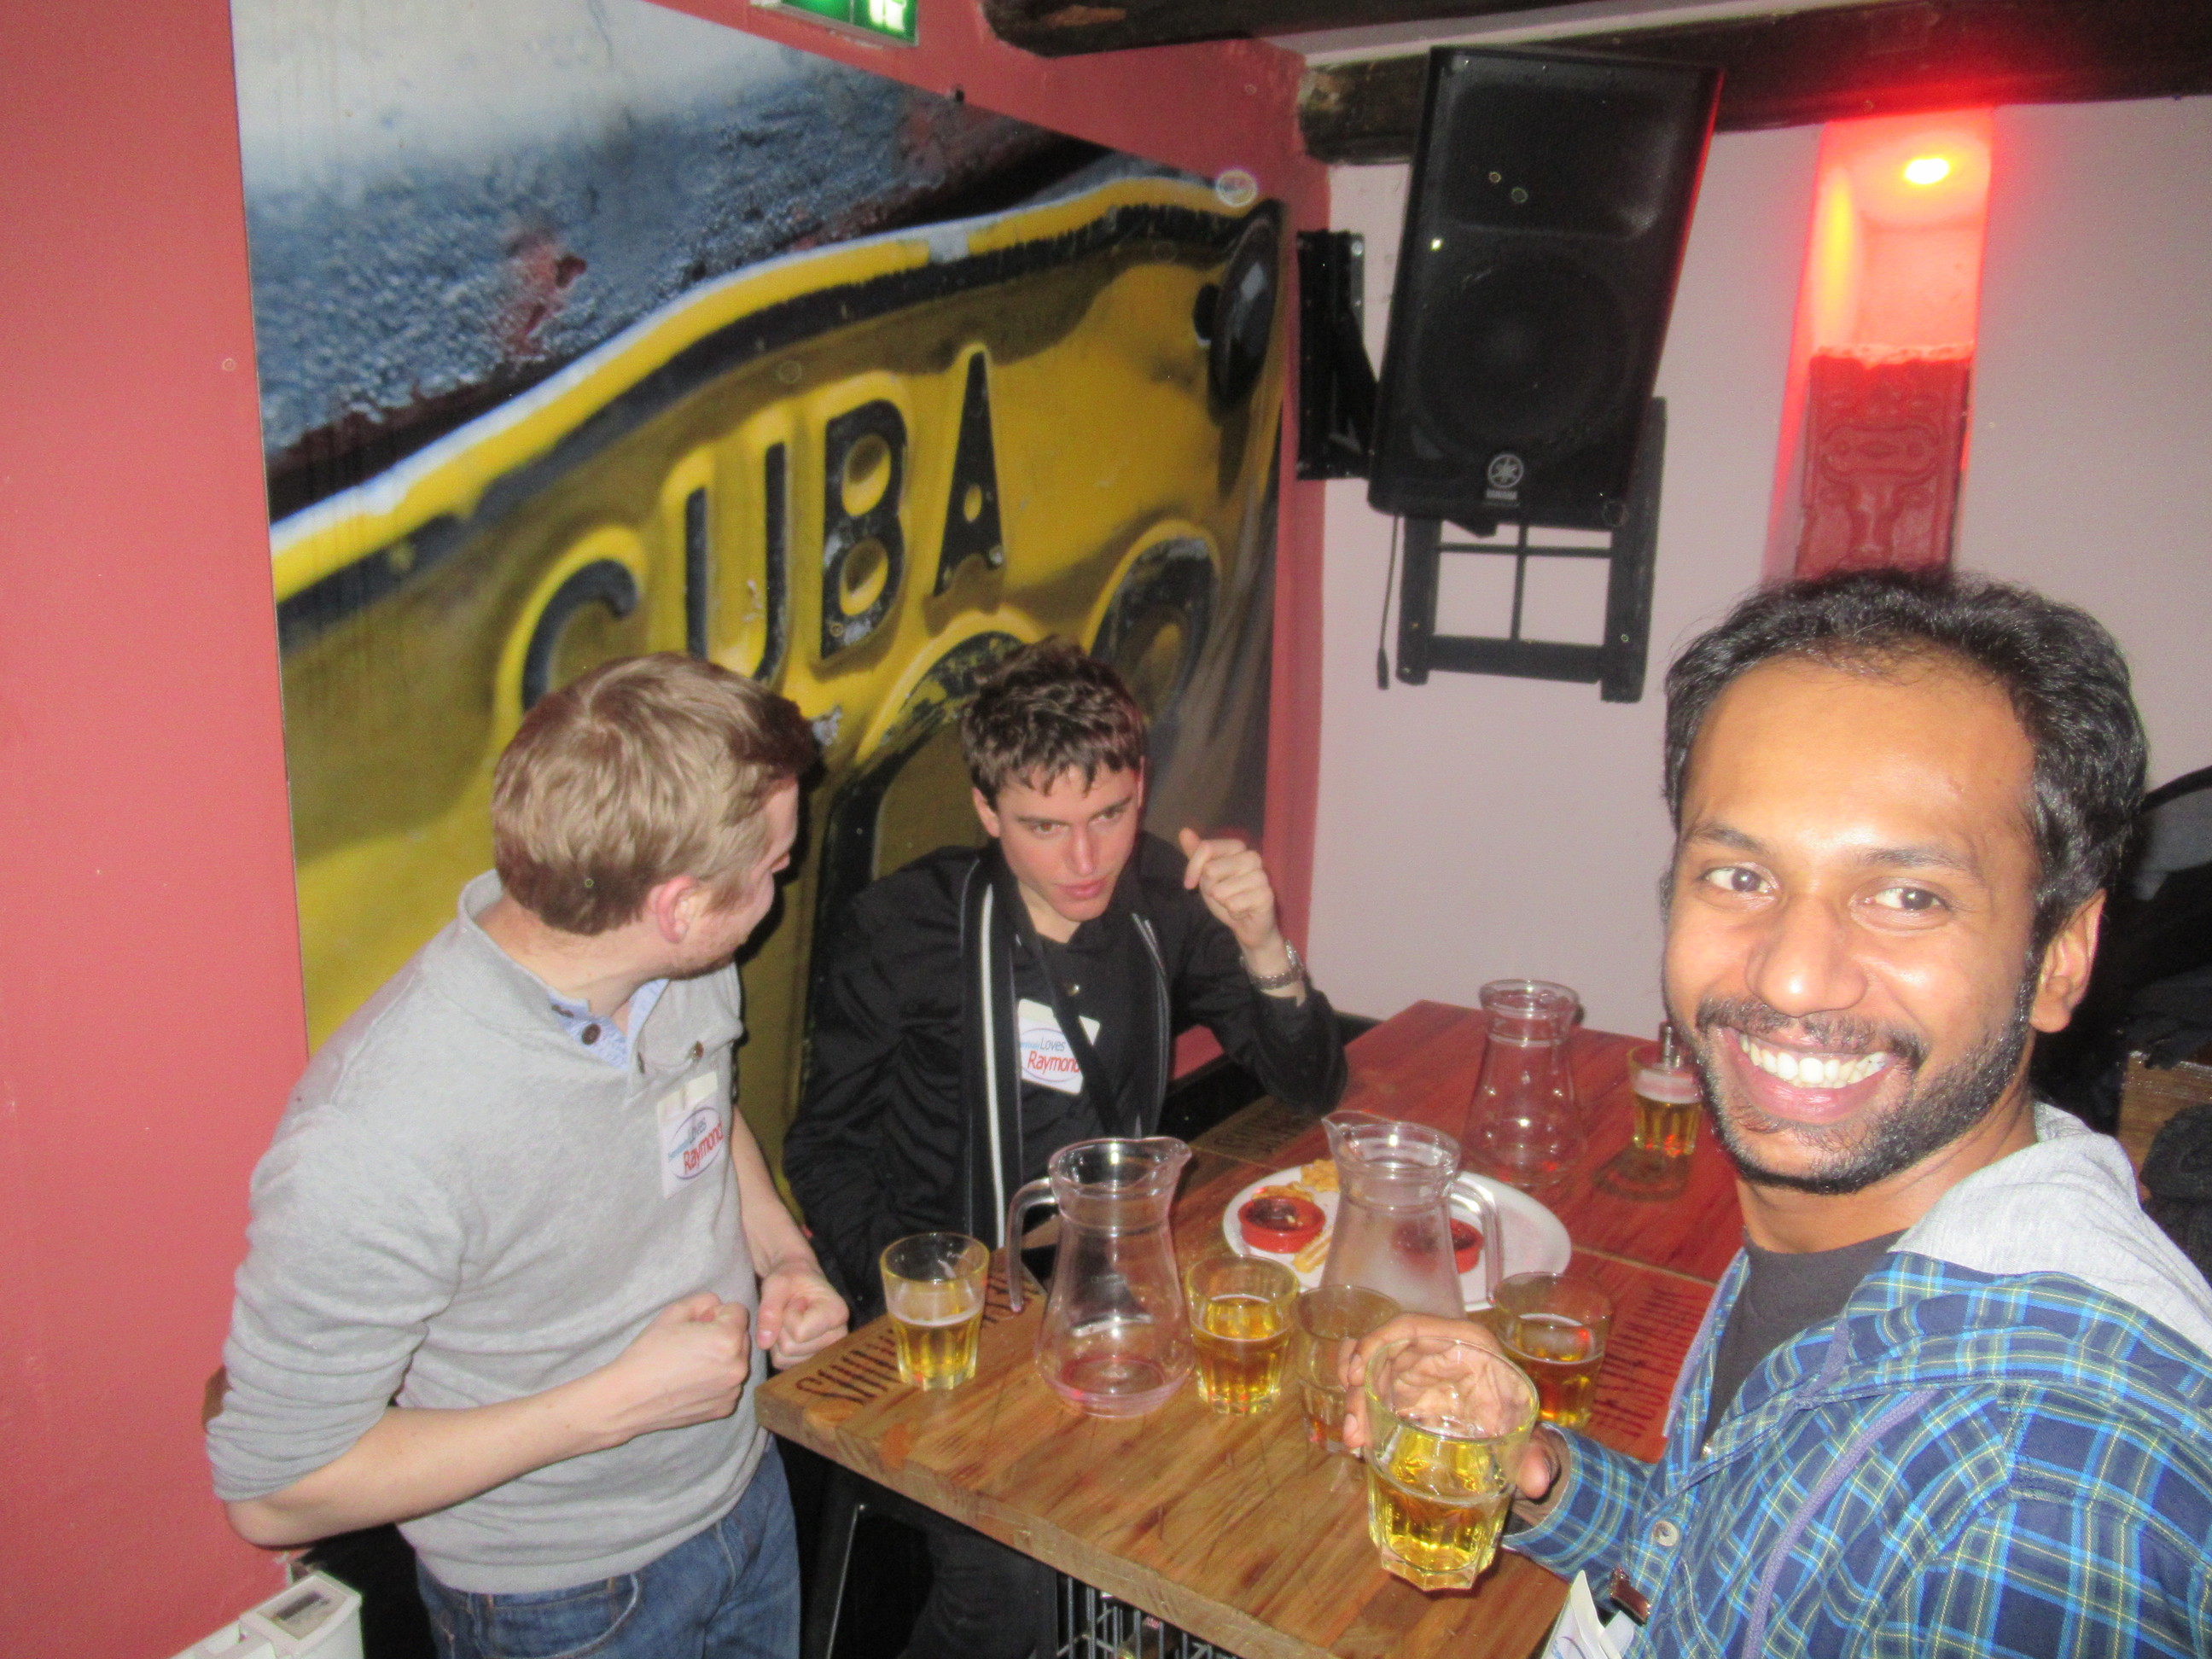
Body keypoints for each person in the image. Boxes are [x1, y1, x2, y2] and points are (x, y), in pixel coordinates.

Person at [1348, 570, 2212, 1656]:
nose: (1795, 976)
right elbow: (1756, 1576)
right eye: (1741, 876)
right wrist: (1543, 1473)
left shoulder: (2033, 1500)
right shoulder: (1877, 1236)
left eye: (1908, 896)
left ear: (2060, 958)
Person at [208, 655, 847, 1659]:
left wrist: (784, 1257)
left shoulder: (680, 973)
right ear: (678, 906)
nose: (782, 883)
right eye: (773, 867)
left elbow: (706, 1111)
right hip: (565, 1600)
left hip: (745, 1492)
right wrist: (611, 1407)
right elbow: (275, 1493)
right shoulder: (376, 1138)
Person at [783, 637, 1348, 1659]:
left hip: (1116, 1290)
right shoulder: (906, 927)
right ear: (987, 809)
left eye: (1111, 816)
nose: (1087, 862)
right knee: (1012, 1586)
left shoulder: (1165, 900)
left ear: (1141, 790)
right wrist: (914, 1297)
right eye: (1045, 828)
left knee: (1268, 1466)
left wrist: (1264, 943)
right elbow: (824, 1147)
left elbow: (1310, 1084)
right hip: (964, 1322)